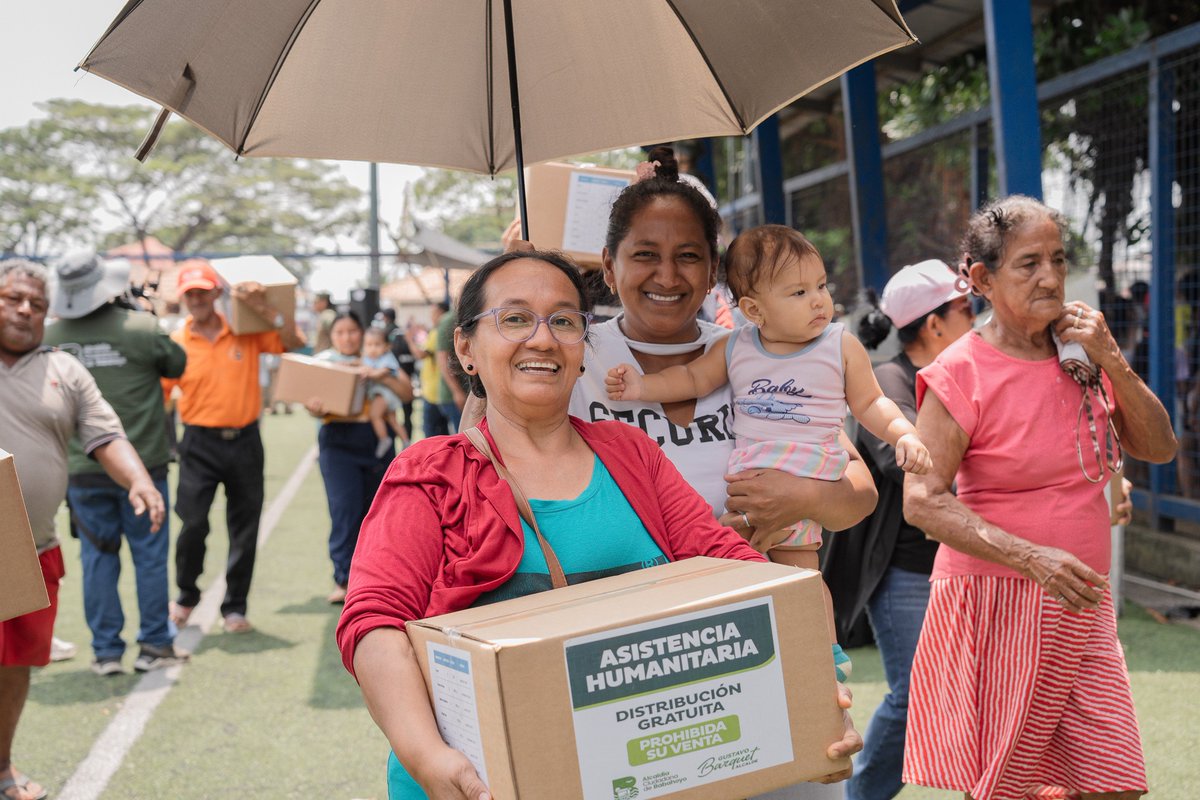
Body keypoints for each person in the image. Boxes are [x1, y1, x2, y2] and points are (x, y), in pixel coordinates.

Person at [337, 251, 858, 800]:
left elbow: (735, 569)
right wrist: (427, 756)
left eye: (564, 320)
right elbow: (374, 626)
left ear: (582, 348)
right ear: (466, 348)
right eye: (514, 319)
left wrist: (816, 694)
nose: (542, 339)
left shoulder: (629, 453)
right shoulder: (431, 473)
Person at [475, 146, 875, 800]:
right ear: (608, 265)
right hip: (627, 671)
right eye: (643, 254)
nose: (667, 274)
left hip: (765, 647)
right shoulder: (568, 354)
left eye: (688, 254)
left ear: (715, 268)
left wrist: (793, 498)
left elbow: (857, 494)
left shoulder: (762, 351)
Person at [902, 196, 1177, 800]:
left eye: (1057, 259)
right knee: (1015, 788)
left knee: (1115, 783)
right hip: (1001, 602)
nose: (1050, 277)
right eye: (1028, 264)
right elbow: (921, 500)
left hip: (1082, 602)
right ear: (981, 279)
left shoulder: (1083, 352)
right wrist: (1032, 557)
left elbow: (1159, 447)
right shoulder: (960, 372)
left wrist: (1114, 360)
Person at [605, 224, 930, 680]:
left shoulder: (838, 346)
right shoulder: (736, 346)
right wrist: (642, 387)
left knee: (802, 576)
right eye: (798, 292)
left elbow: (872, 402)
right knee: (749, 580)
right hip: (745, 491)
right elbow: (695, 379)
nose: (819, 300)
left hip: (806, 477)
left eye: (821, 286)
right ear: (754, 309)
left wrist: (904, 435)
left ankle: (824, 650)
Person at [0, 259, 165, 800]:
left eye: (37, 304)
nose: (25, 310)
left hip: (30, 551)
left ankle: (2, 771)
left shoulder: (65, 369)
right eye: (12, 298)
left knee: (15, 665)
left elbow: (104, 435)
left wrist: (139, 480)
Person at [822, 260, 975, 800]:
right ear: (934, 325)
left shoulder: (964, 377)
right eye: (967, 309)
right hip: (907, 571)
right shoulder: (889, 380)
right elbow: (899, 461)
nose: (977, 320)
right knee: (916, 693)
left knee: (967, 694)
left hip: (962, 566)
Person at [42, 253, 189, 676]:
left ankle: (106, 652)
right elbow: (177, 364)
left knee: (97, 557)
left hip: (83, 468)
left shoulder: (51, 335)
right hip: (143, 466)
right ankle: (155, 644)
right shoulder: (141, 328)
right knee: (148, 555)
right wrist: (142, 313)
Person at [163, 262, 305, 634]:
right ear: (183, 298)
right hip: (197, 443)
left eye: (202, 291)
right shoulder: (177, 343)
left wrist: (262, 307)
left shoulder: (244, 331)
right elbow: (158, 394)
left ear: (215, 294)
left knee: (244, 525)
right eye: (189, 293)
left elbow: (292, 342)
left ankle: (234, 607)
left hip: (244, 440)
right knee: (192, 523)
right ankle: (186, 595)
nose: (196, 299)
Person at [307, 312, 413, 604]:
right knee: (344, 510)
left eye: (352, 331)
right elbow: (311, 404)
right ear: (333, 336)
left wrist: (381, 374)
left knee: (379, 512)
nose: (347, 338)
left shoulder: (379, 359)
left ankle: (378, 578)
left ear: (361, 333)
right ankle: (344, 578)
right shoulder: (325, 362)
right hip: (337, 442)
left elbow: (405, 393)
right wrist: (314, 407)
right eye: (340, 332)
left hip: (375, 441)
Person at [362, 326, 407, 458]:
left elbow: (383, 372)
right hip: (387, 396)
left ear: (386, 346)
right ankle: (405, 441)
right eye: (369, 345)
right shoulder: (368, 359)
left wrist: (369, 374)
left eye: (377, 345)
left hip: (383, 395)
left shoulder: (387, 358)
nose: (372, 349)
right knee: (393, 420)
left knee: (375, 415)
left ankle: (383, 439)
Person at [413, 302, 452, 438]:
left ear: (442, 313)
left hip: (434, 392)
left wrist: (409, 339)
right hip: (433, 389)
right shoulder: (436, 331)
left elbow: (420, 354)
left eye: (434, 313)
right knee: (443, 431)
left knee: (431, 432)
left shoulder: (437, 332)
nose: (432, 317)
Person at [379, 308, 417, 442]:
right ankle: (408, 444)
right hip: (408, 378)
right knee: (408, 415)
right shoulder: (403, 333)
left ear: (385, 317)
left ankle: (391, 443)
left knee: (390, 416)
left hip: (392, 380)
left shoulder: (384, 334)